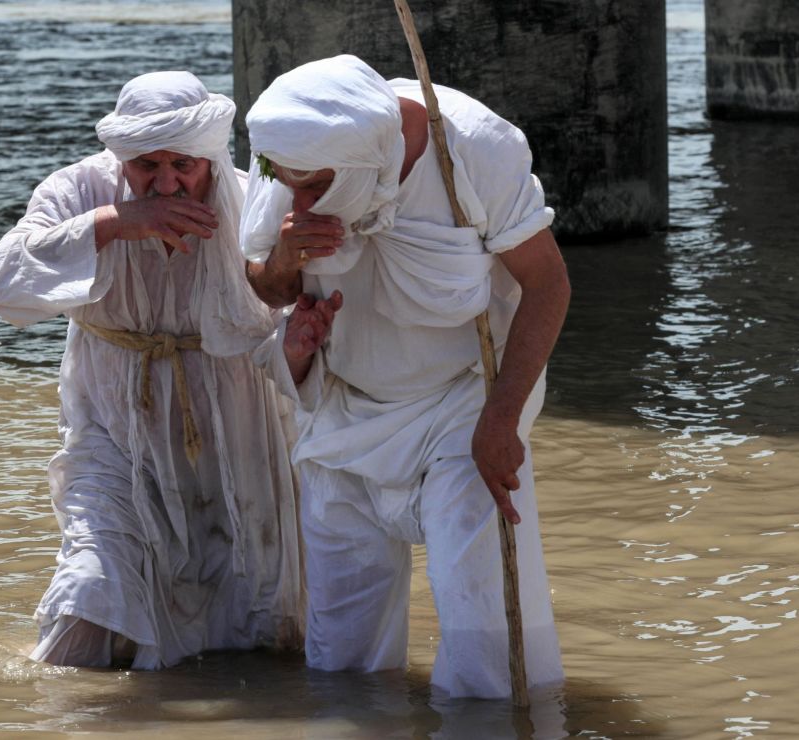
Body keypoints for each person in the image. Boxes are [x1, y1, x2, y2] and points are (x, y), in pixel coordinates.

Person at [240, 55, 569, 699]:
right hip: (340, 408)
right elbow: (267, 286)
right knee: (339, 657)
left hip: (463, 407)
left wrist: (502, 420)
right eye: (287, 184)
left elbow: (548, 284)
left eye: (315, 188)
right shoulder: (292, 149)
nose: (295, 199)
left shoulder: (473, 149)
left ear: (367, 165)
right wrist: (284, 255)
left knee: (482, 642)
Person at [0, 71, 303, 670]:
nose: (165, 183)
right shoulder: (76, 190)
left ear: (208, 155)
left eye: (183, 165)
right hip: (112, 423)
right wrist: (116, 223)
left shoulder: (246, 197)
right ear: (120, 157)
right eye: (145, 166)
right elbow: (3, 286)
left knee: (244, 601)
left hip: (234, 425)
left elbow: (284, 310)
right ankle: (62, 715)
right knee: (91, 584)